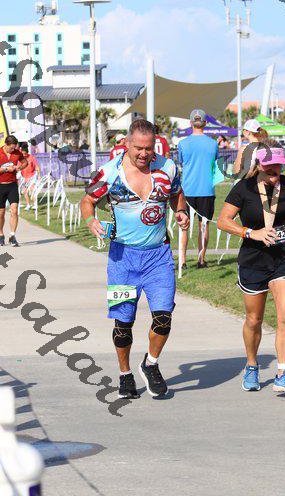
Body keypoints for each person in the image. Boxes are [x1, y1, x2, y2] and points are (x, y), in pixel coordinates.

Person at [80, 119, 189, 399]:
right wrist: (91, 221)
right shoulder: (109, 172)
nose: (143, 154)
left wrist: (180, 211)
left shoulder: (167, 167)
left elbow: (177, 194)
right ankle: (125, 374)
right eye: (138, 148)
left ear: (155, 146)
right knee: (123, 323)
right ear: (127, 144)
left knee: (163, 318)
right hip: (123, 260)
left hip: (158, 256)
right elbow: (87, 201)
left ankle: (150, 363)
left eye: (148, 148)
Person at [217, 147, 285, 394]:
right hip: (253, 261)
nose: (274, 173)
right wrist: (251, 233)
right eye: (269, 169)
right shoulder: (244, 189)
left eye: (278, 168)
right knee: (254, 320)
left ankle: (283, 373)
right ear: (258, 166)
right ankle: (251, 365)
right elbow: (223, 221)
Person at [178, 109, 218, 269]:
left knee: (184, 226)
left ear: (190, 123)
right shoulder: (213, 144)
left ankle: (182, 261)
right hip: (206, 190)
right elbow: (215, 163)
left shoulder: (182, 143)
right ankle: (201, 260)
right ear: (205, 123)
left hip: (187, 190)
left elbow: (181, 161)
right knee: (204, 226)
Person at [0, 136, 28, 247]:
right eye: (11, 148)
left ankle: (12, 236)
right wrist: (6, 169)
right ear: (6, 144)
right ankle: (1, 235)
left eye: (14, 148)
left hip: (12, 185)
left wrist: (19, 168)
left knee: (14, 210)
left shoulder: (17, 153)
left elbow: (25, 162)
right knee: (1, 213)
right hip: (0, 186)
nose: (13, 150)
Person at [19, 144, 40, 211]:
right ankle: (28, 205)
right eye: (22, 154)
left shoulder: (32, 158)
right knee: (24, 191)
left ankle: (35, 204)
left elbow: (37, 167)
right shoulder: (20, 158)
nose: (24, 155)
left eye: (25, 154)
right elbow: (19, 167)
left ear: (27, 152)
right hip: (23, 177)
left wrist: (39, 175)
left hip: (32, 176)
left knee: (32, 190)